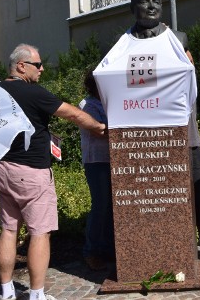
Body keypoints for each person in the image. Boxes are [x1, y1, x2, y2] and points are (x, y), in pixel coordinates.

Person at [0, 44, 107, 300]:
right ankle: (36, 295)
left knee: (9, 230)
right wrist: (99, 127)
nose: (42, 68)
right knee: (39, 232)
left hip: (4, 168)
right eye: (38, 64)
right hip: (32, 172)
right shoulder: (33, 93)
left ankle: (6, 292)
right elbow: (72, 114)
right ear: (21, 66)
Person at [127, 0, 200, 261]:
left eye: (157, 2)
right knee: (152, 191)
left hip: (183, 129)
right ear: (133, 7)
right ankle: (156, 240)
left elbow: (190, 82)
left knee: (196, 186)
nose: (152, 6)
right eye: (145, 2)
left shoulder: (178, 38)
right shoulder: (125, 44)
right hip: (146, 132)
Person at [79, 69, 114, 271]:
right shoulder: (87, 105)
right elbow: (101, 131)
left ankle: (108, 248)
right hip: (96, 161)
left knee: (111, 206)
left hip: (111, 160)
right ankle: (91, 251)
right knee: (100, 206)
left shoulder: (108, 103)